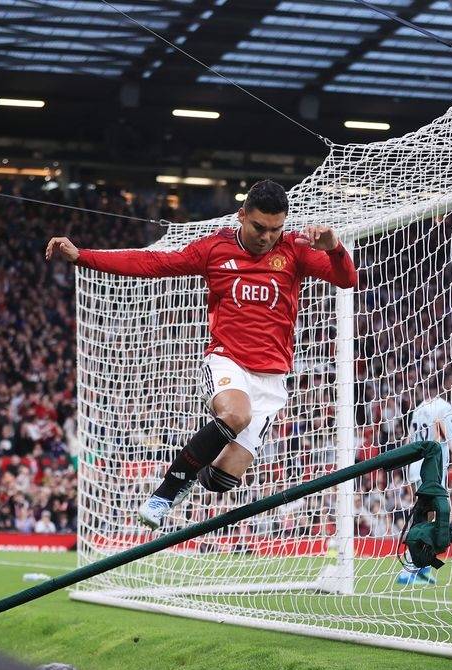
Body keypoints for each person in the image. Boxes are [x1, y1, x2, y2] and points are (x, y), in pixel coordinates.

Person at [46, 180, 358, 529]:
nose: (267, 237)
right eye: (259, 227)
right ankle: (165, 494)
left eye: (275, 229)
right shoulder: (215, 249)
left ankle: (195, 463)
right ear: (241, 215)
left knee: (222, 480)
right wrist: (83, 256)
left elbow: (347, 279)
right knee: (236, 414)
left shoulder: (293, 250)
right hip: (228, 360)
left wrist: (334, 248)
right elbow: (153, 263)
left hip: (271, 379)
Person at [395, 382, 452, 585]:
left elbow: (409, 440)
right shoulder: (443, 408)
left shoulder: (419, 409)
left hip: (417, 468)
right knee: (426, 521)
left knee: (426, 519)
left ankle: (421, 568)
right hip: (431, 469)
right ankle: (409, 571)